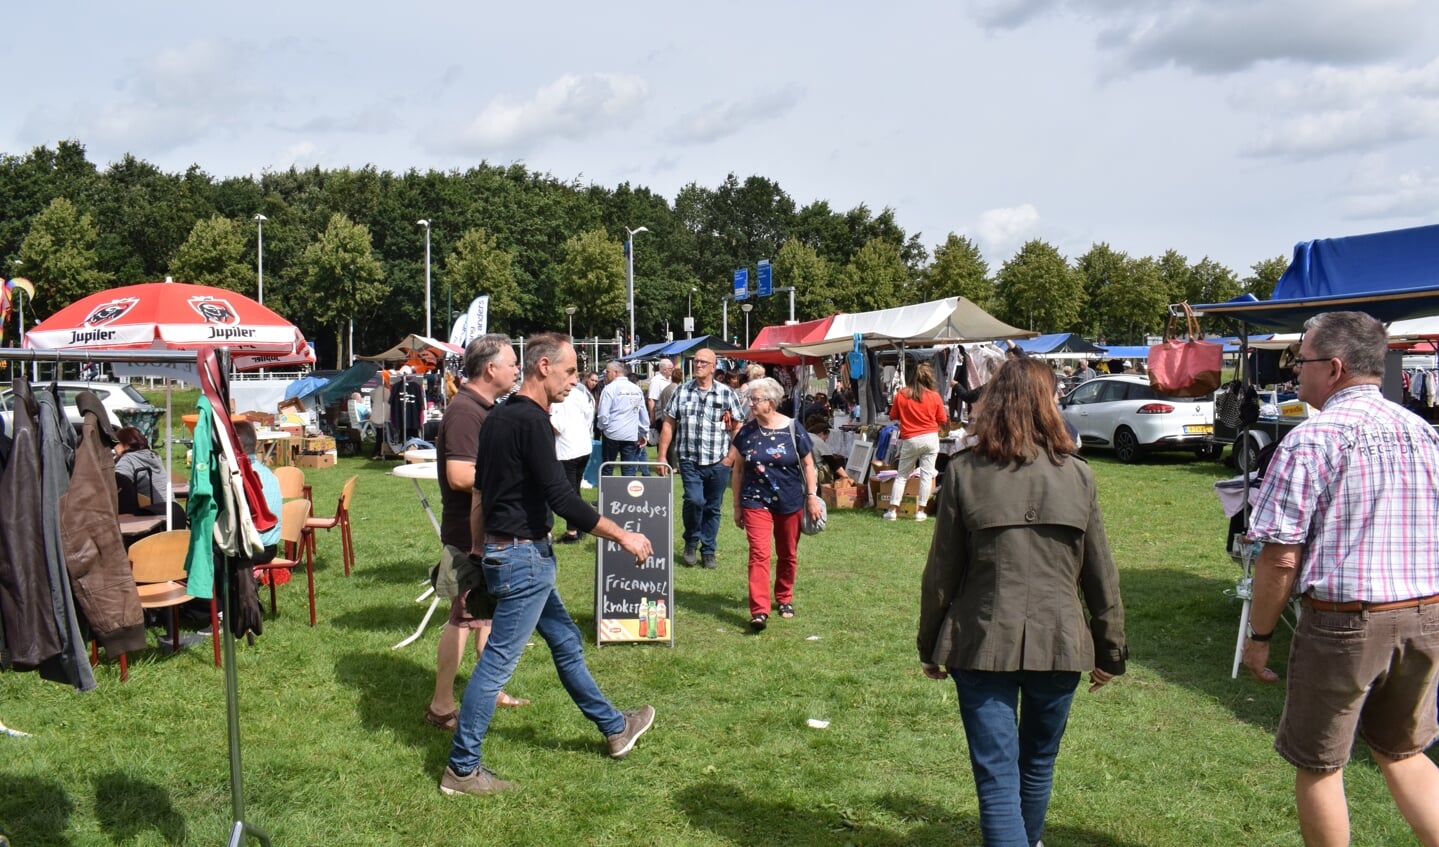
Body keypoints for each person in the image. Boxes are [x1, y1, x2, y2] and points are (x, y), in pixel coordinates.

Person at [1241, 311, 1439, 846]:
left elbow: (1280, 558)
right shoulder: (1423, 432)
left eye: (1299, 362)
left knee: (1320, 764)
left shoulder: (1312, 439)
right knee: (1404, 752)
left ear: (1333, 368)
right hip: (1426, 614)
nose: (1293, 374)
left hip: (1346, 622)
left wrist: (1259, 638)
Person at [918, 357, 1127, 847]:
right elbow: (1101, 573)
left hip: (982, 639)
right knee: (1035, 764)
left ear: (994, 404)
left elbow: (941, 572)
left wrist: (930, 646)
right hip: (1058, 642)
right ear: (1048, 404)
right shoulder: (1077, 474)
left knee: (999, 776)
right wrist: (1110, 649)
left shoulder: (966, 472)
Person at [441, 333, 656, 797]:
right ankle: (461, 769)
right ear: (544, 368)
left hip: (511, 554)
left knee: (565, 643)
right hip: (523, 558)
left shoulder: (497, 417)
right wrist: (623, 535)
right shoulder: (529, 421)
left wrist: (481, 550)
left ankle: (615, 727)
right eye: (571, 372)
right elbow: (561, 497)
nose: (576, 382)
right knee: (496, 664)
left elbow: (483, 491)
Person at [426, 335, 529, 735]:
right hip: (467, 534)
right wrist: (515, 479)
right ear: (490, 369)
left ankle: (491, 691)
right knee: (464, 617)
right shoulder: (466, 412)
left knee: (485, 616)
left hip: (483, 530)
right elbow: (459, 475)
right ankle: (441, 705)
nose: (517, 369)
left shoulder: (480, 407)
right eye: (512, 363)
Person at [727, 378, 823, 631]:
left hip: (790, 500)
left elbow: (808, 464)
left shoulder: (793, 428)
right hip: (755, 500)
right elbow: (737, 472)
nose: (750, 404)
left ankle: (784, 597)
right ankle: (759, 610)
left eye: (755, 399)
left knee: (787, 553)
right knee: (759, 553)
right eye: (750, 399)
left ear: (771, 402)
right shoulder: (746, 432)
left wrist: (812, 496)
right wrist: (737, 506)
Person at [657, 348, 744, 569]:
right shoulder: (682, 391)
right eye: (696, 361)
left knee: (713, 507)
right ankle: (691, 542)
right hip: (689, 459)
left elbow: (738, 425)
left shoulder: (726, 393)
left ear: (714, 367)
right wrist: (662, 455)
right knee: (694, 500)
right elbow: (669, 423)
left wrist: (731, 457)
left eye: (703, 362)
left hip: (718, 461)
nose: (698, 365)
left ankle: (708, 550)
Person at [884, 362, 948, 522]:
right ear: (930, 378)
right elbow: (942, 419)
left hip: (910, 439)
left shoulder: (902, 394)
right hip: (931, 438)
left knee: (902, 475)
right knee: (926, 476)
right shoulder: (934, 396)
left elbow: (893, 415)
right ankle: (920, 511)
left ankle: (892, 510)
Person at [551, 362, 595, 544]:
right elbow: (589, 416)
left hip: (567, 449)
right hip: (583, 445)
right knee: (575, 490)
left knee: (568, 493)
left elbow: (557, 426)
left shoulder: (559, 398)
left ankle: (572, 532)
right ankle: (579, 526)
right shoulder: (580, 394)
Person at [113, 425, 178, 523]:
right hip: (174, 511)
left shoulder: (127, 459)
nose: (114, 448)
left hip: (155, 516)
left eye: (116, 444)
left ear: (124, 444)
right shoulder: (154, 456)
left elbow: (118, 482)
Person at [596, 360, 649, 475]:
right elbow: (642, 413)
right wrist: (643, 432)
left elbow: (603, 414)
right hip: (630, 434)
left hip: (612, 433)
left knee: (607, 467)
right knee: (629, 469)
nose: (606, 374)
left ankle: (606, 493)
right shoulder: (636, 389)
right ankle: (627, 493)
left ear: (616, 372)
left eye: (607, 371)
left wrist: (603, 428)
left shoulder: (609, 388)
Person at [804, 413, 852, 485]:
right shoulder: (818, 442)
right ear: (822, 433)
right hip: (815, 474)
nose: (825, 440)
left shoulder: (804, 436)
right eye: (826, 438)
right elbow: (833, 464)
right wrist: (847, 478)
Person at [646, 358, 674, 425]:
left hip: (671, 415)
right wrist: (652, 417)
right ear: (664, 370)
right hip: (661, 417)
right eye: (670, 369)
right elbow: (651, 400)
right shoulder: (656, 381)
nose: (672, 370)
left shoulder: (671, 379)